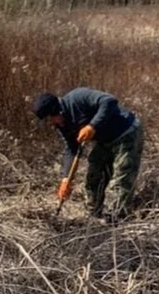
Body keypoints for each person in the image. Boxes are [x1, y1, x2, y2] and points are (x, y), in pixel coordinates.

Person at [32, 87, 144, 222]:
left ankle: (117, 219)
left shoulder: (79, 96)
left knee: (121, 179)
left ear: (57, 111)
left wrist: (92, 126)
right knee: (94, 176)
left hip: (126, 132)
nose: (52, 123)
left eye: (51, 119)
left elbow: (109, 101)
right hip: (105, 140)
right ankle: (93, 216)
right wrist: (66, 179)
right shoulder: (62, 124)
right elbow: (71, 148)